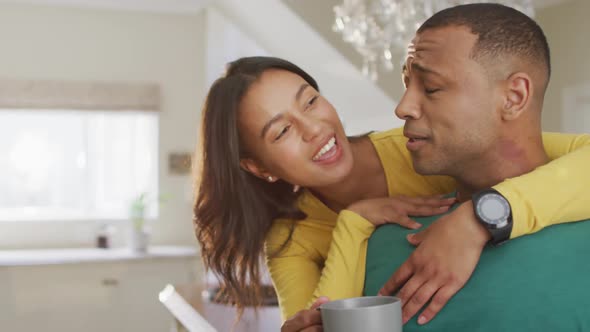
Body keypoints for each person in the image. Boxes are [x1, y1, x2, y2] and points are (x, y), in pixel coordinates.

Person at [192, 55, 590, 327]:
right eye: (282, 131)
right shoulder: (290, 239)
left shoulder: (422, 150)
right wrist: (354, 223)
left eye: (311, 101)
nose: (315, 129)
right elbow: (315, 325)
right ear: (258, 168)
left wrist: (479, 218)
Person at [363, 3, 590, 331]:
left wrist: (480, 218)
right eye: (405, 85)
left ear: (513, 97)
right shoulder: (382, 240)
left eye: (431, 88)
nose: (403, 108)